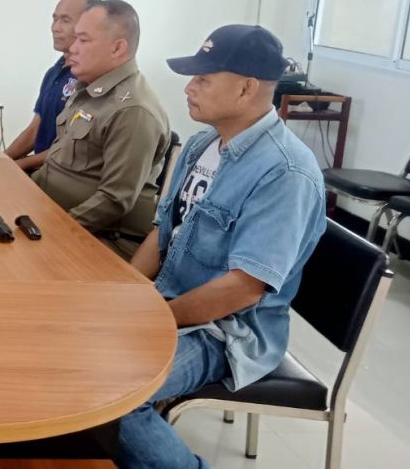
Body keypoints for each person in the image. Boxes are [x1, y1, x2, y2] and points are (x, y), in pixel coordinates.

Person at [116, 24, 326, 468]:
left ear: (246, 88)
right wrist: (123, 296)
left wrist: (155, 319)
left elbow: (244, 289)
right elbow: (163, 232)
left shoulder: (285, 173)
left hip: (226, 333)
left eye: (204, 79)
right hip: (171, 304)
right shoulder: (201, 145)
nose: (188, 88)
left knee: (118, 395)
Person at [32, 0, 170, 259]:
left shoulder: (132, 110)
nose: (72, 48)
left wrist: (53, 230)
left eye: (83, 40)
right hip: (52, 213)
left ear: (118, 48)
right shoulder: (89, 89)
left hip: (99, 237)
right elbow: (57, 162)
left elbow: (114, 200)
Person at [4, 0, 100, 170]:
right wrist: (1, 161)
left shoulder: (90, 80)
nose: (55, 27)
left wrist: (15, 167)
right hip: (39, 168)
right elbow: (35, 130)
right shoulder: (54, 72)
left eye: (65, 20)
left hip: (61, 173)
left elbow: (67, 146)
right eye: (55, 19)